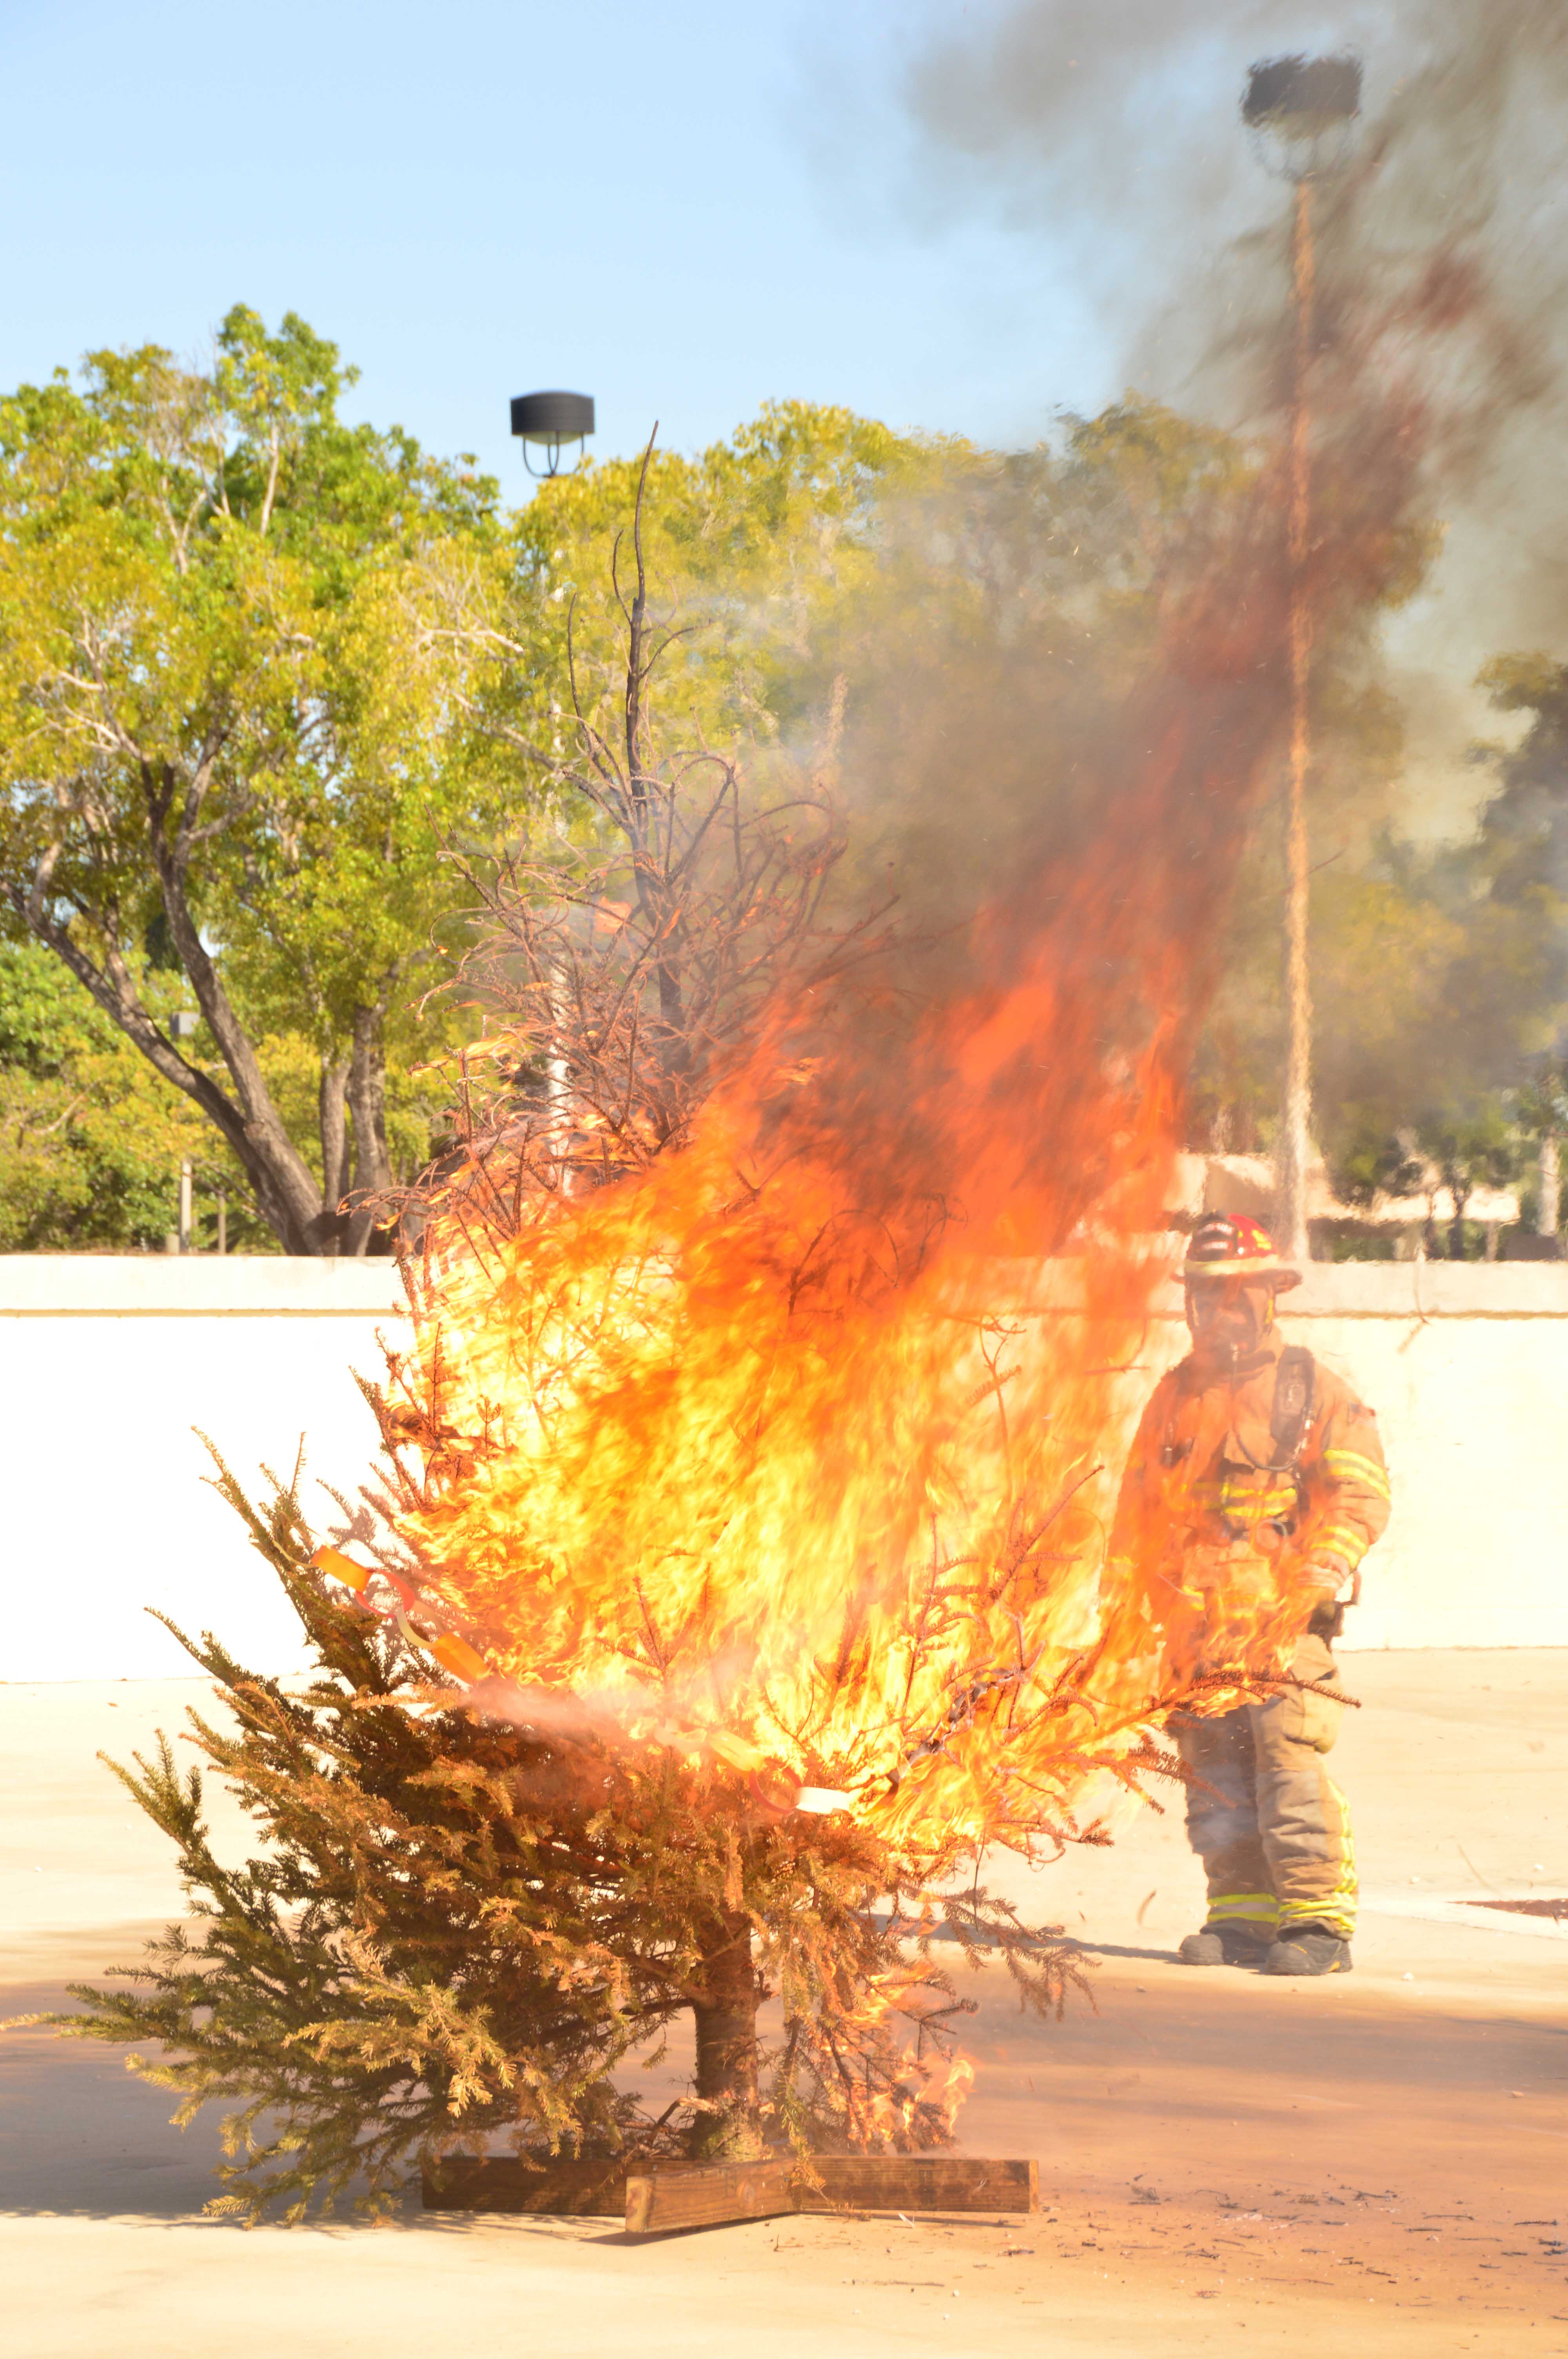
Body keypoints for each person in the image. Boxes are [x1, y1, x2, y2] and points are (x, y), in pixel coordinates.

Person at [1108, 1212, 1390, 1977]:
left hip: (1279, 1624)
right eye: (1206, 1294)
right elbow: (1136, 1511)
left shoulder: (1308, 1387)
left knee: (1286, 1767)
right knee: (1214, 1780)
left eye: (1237, 1292)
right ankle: (1240, 1919)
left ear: (1269, 1295)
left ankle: (1318, 1924)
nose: (1220, 1309)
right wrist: (1123, 1614)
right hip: (1194, 1626)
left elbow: (1360, 1493)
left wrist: (1315, 1577)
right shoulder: (1174, 1396)